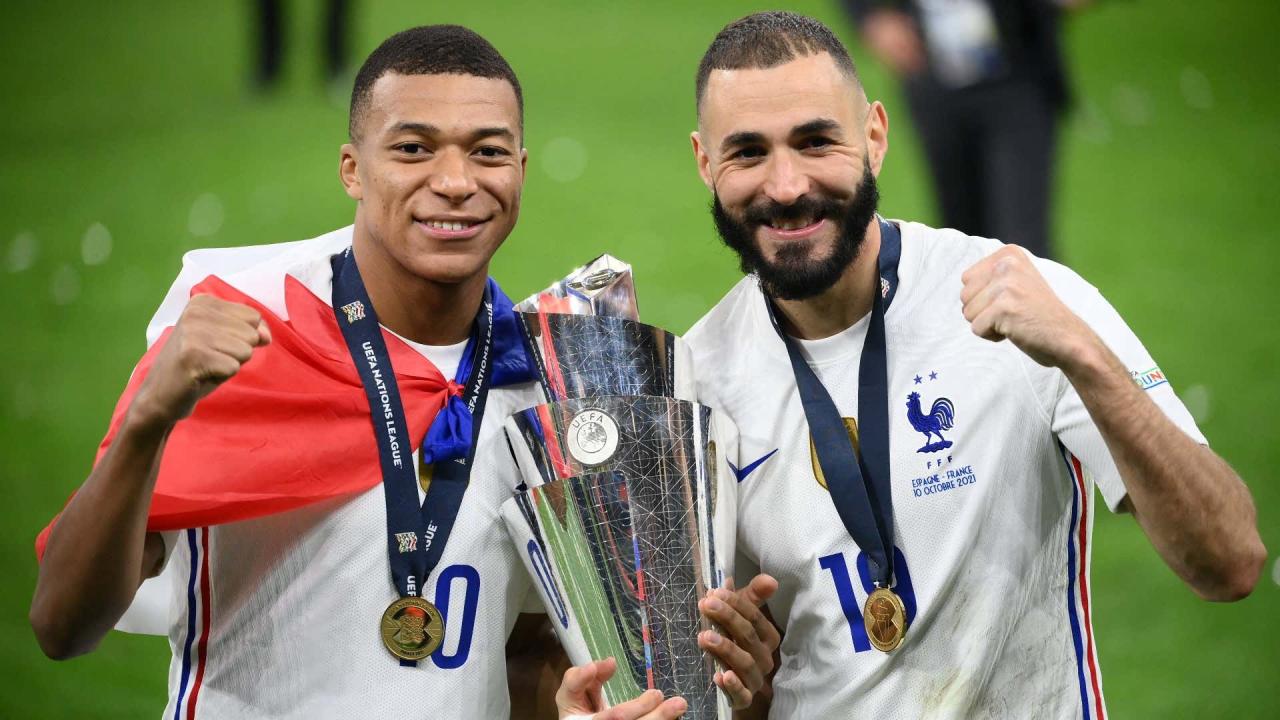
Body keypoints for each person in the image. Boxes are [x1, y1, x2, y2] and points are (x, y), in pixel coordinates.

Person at [30, 24, 770, 720]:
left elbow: (511, 653)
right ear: (353, 168)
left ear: (520, 169)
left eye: (486, 151)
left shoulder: (554, 385)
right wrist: (145, 425)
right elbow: (62, 625)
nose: (454, 181)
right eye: (413, 148)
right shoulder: (247, 332)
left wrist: (584, 702)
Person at [683, 11, 1265, 718]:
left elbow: (1229, 560)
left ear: (874, 135)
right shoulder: (694, 385)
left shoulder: (1027, 301)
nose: (785, 185)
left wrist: (1085, 355)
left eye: (815, 141)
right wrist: (743, 689)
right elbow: (746, 678)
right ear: (705, 163)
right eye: (747, 153)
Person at [841, 0, 1083, 259]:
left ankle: (1036, 296)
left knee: (1022, 240)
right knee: (959, 238)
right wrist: (871, 17)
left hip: (1019, 71)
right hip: (931, 75)